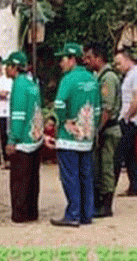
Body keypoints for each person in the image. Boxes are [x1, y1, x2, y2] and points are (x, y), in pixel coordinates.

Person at [47, 42, 100, 227]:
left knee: (70, 177)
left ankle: (73, 214)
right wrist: (91, 129)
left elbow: (59, 105)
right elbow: (98, 110)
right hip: (86, 138)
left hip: (69, 138)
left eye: (62, 59)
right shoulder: (92, 79)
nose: (60, 63)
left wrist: (63, 121)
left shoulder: (68, 79)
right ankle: (87, 214)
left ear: (71, 59)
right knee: (86, 176)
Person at [3, 51, 43, 223]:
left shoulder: (19, 84)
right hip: (35, 137)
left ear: (14, 67)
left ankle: (20, 214)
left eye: (7, 65)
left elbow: (18, 115)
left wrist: (12, 140)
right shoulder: (32, 83)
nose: (5, 69)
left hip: (23, 141)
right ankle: (32, 212)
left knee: (19, 180)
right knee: (33, 179)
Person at [83, 42, 122, 217]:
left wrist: (97, 131)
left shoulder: (108, 78)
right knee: (98, 167)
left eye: (89, 57)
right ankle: (99, 202)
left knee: (106, 167)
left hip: (108, 129)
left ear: (98, 58)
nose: (86, 60)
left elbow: (106, 110)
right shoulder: (99, 76)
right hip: (104, 129)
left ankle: (106, 206)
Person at [113, 47, 137, 197]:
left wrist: (127, 116)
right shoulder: (129, 75)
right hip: (129, 118)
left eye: (119, 63)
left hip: (131, 120)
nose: (117, 67)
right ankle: (135, 187)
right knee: (130, 155)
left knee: (118, 154)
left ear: (128, 60)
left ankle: (109, 186)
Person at [0, 56, 13, 166]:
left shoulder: (6, 80)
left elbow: (5, 93)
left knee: (4, 135)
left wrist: (0, 93)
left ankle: (7, 159)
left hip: (5, 111)